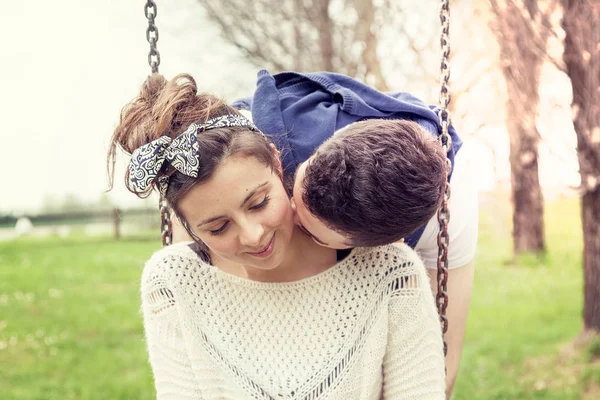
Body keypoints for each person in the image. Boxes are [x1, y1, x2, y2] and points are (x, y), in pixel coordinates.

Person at [107, 73, 446, 399]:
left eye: (258, 202)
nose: (253, 236)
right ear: (188, 228)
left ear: (277, 163)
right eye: (218, 227)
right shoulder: (173, 283)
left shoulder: (390, 273)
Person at [230, 70, 479, 397]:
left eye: (310, 230)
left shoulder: (451, 216)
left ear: (387, 243)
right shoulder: (254, 140)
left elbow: (442, 359)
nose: (289, 214)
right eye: (295, 190)